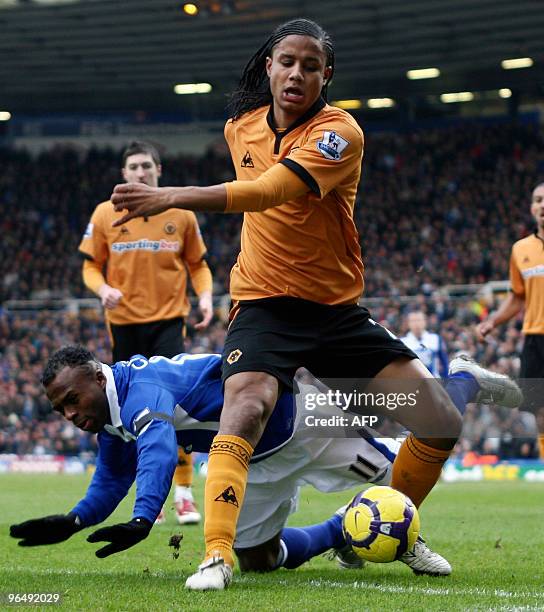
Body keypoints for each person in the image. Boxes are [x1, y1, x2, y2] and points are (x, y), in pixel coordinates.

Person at [109, 19, 465, 590]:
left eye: (310, 65)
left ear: (327, 75)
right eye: (287, 62)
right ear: (269, 68)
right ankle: (216, 556)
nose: (297, 73)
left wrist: (174, 195)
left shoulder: (340, 132)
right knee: (246, 405)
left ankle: (384, 527)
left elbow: (271, 189)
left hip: (334, 314)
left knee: (440, 420)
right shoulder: (239, 129)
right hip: (264, 307)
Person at [9, 346, 520, 578]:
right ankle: (345, 531)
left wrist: (145, 517)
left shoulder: (142, 391)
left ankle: (464, 379)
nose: (69, 414)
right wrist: (79, 518)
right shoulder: (112, 410)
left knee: (402, 480)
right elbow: (114, 473)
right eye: (60, 409)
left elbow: (160, 451)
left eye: (71, 400)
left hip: (299, 422)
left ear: (97, 378)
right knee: (257, 559)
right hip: (248, 460)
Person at [79, 140, 213, 525]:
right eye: (134, 167)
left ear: (159, 170)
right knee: (133, 416)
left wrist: (205, 297)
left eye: (147, 166)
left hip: (169, 321)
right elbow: (90, 266)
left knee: (175, 410)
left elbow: (198, 265)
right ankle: (149, 498)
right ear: (124, 174)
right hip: (123, 325)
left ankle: (184, 495)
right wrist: (102, 289)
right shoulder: (106, 214)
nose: (141, 172)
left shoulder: (180, 214)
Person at [476, 182, 544, 459]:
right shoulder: (521, 249)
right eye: (538, 200)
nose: (543, 205)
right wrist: (493, 321)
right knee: (539, 407)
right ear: (531, 208)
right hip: (535, 337)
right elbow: (517, 296)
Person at [401, 311, 449, 378]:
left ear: (425, 322)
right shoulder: (402, 342)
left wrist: (446, 381)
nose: (416, 323)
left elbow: (444, 363)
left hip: (433, 382)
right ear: (408, 323)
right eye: (413, 321)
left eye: (419, 320)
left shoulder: (435, 338)